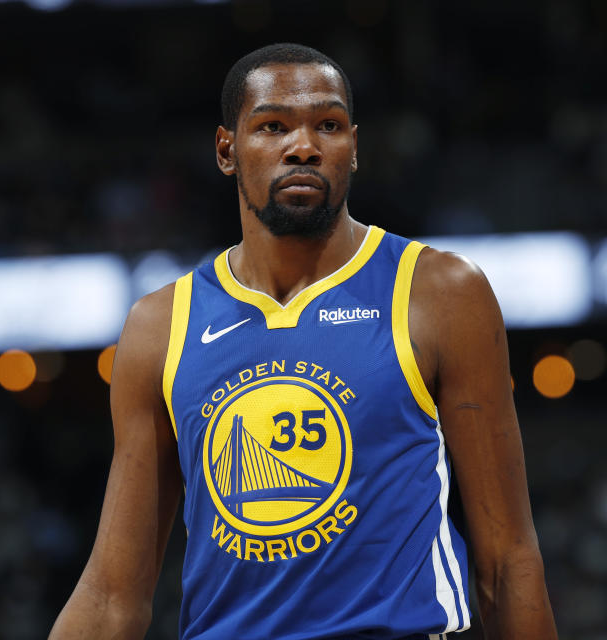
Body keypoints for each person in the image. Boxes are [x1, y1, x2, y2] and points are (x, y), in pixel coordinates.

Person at [49, 43, 558, 640]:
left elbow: (508, 560)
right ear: (226, 151)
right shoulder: (161, 325)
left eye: (329, 125)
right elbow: (112, 595)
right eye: (272, 126)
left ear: (354, 148)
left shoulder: (440, 292)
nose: (304, 146)